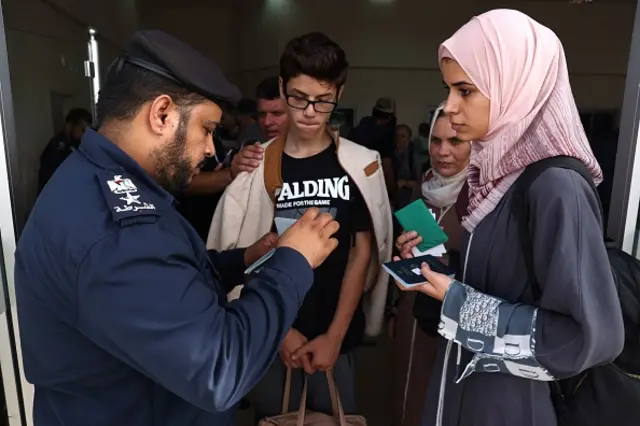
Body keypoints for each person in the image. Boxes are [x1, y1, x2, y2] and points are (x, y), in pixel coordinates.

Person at [14, 30, 341, 426]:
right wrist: (293, 262)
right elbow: (220, 368)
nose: (210, 150)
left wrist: (242, 260)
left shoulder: (104, 183)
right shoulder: (115, 233)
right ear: (163, 114)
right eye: (206, 129)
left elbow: (169, 284)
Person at [395, 9, 623, 426]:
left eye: (465, 90)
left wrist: (460, 304)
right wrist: (438, 273)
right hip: (462, 395)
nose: (449, 106)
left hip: (516, 407)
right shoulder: (493, 179)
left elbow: (589, 336)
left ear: (515, 85)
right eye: (448, 89)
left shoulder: (556, 185)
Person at [207, 32, 393, 420]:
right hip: (271, 334)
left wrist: (335, 336)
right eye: (297, 97)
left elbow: (362, 252)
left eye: (322, 100)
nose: (309, 111)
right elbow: (242, 252)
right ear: (281, 87)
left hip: (336, 336)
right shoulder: (255, 168)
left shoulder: (359, 165)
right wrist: (278, 330)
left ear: (339, 94)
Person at [390, 104, 470, 426]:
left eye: (455, 142)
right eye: (436, 141)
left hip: (455, 325)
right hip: (414, 315)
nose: (442, 151)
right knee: (408, 395)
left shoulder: (484, 200)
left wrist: (449, 262)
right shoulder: (424, 192)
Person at [349, 97, 398, 204]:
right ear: (390, 118)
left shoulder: (362, 125)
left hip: (353, 183)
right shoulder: (386, 134)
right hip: (374, 186)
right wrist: (394, 195)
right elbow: (387, 166)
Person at [38, 108, 92, 192]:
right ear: (69, 126)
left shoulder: (74, 145)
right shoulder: (57, 149)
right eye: (82, 130)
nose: (84, 135)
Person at [394, 124, 419, 209]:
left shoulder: (413, 155)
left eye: (403, 136)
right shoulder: (390, 153)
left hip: (409, 199)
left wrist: (404, 183)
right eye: (397, 136)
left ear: (408, 138)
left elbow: (419, 183)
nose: (399, 139)